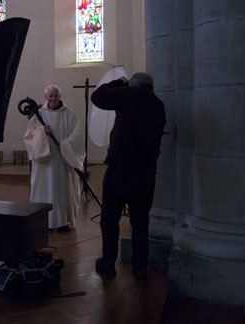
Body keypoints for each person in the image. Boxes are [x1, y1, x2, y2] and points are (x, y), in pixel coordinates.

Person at [90, 72, 166, 279]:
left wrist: (119, 83)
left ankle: (108, 262)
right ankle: (140, 266)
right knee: (140, 221)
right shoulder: (159, 105)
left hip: (120, 169)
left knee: (110, 217)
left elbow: (97, 97)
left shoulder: (128, 94)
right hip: (146, 172)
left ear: (133, 85)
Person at [24, 84, 85, 231]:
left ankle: (62, 221)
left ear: (60, 96)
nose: (53, 99)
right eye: (50, 96)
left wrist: (65, 146)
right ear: (46, 97)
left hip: (62, 160)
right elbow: (29, 136)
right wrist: (41, 133)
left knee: (61, 191)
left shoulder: (69, 113)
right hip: (44, 162)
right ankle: (44, 221)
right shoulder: (39, 115)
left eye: (56, 95)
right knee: (45, 191)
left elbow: (76, 135)